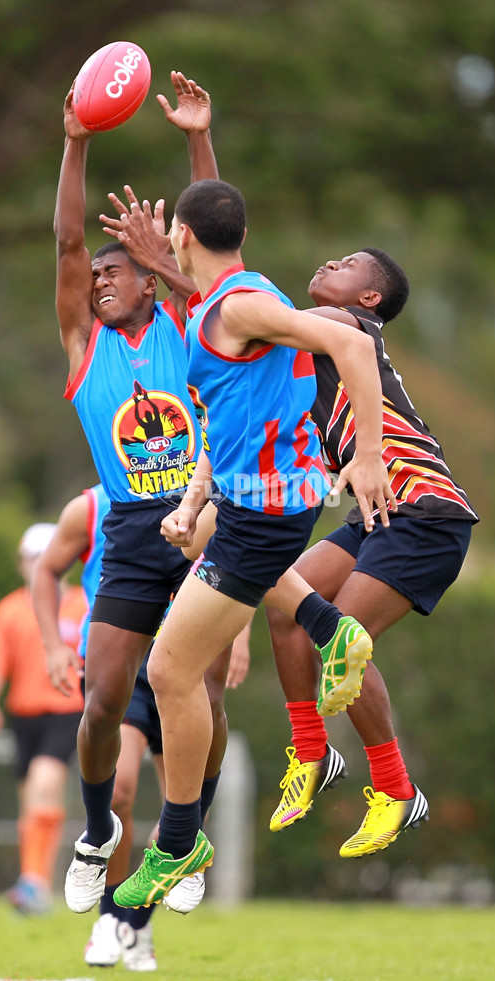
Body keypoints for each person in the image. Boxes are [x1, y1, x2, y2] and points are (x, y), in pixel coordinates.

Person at [107, 177, 395, 911]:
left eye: (173, 226)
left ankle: (177, 842)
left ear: (182, 237)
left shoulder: (239, 304)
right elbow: (232, 418)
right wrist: (194, 497)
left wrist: (366, 456)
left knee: (170, 672)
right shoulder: (224, 299)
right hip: (251, 504)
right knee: (188, 535)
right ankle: (331, 630)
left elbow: (349, 343)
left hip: (268, 513)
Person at [54, 72, 248, 919]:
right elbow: (65, 244)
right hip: (133, 525)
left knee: (200, 694)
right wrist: (75, 140)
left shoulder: (186, 322)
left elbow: (212, 245)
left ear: (151, 281)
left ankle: (186, 835)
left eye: (116, 268)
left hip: (203, 521)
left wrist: (197, 137)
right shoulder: (82, 347)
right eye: (92, 272)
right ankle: (98, 834)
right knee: (103, 700)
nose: (99, 276)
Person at [266, 248, 479, 857]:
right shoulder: (310, 354)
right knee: (285, 603)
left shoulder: (351, 327)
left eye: (350, 263)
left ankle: (396, 790)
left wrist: (193, 271)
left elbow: (251, 316)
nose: (331, 261)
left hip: (425, 512)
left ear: (369, 300)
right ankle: (311, 753)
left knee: (338, 638)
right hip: (378, 515)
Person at [32, 484, 252, 968]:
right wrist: (52, 645)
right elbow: (46, 570)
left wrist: (242, 632)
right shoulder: (89, 505)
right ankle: (110, 916)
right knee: (122, 791)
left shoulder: (209, 494)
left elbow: (243, 559)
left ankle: (140, 923)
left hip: (187, 655)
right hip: (124, 661)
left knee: (185, 797)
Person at [0, 523, 86, 915]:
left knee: (44, 782)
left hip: (68, 711)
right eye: (31, 557)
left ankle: (34, 881)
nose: (37, 564)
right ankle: (35, 883)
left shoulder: (82, 604)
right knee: (31, 804)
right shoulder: (10, 610)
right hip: (25, 714)